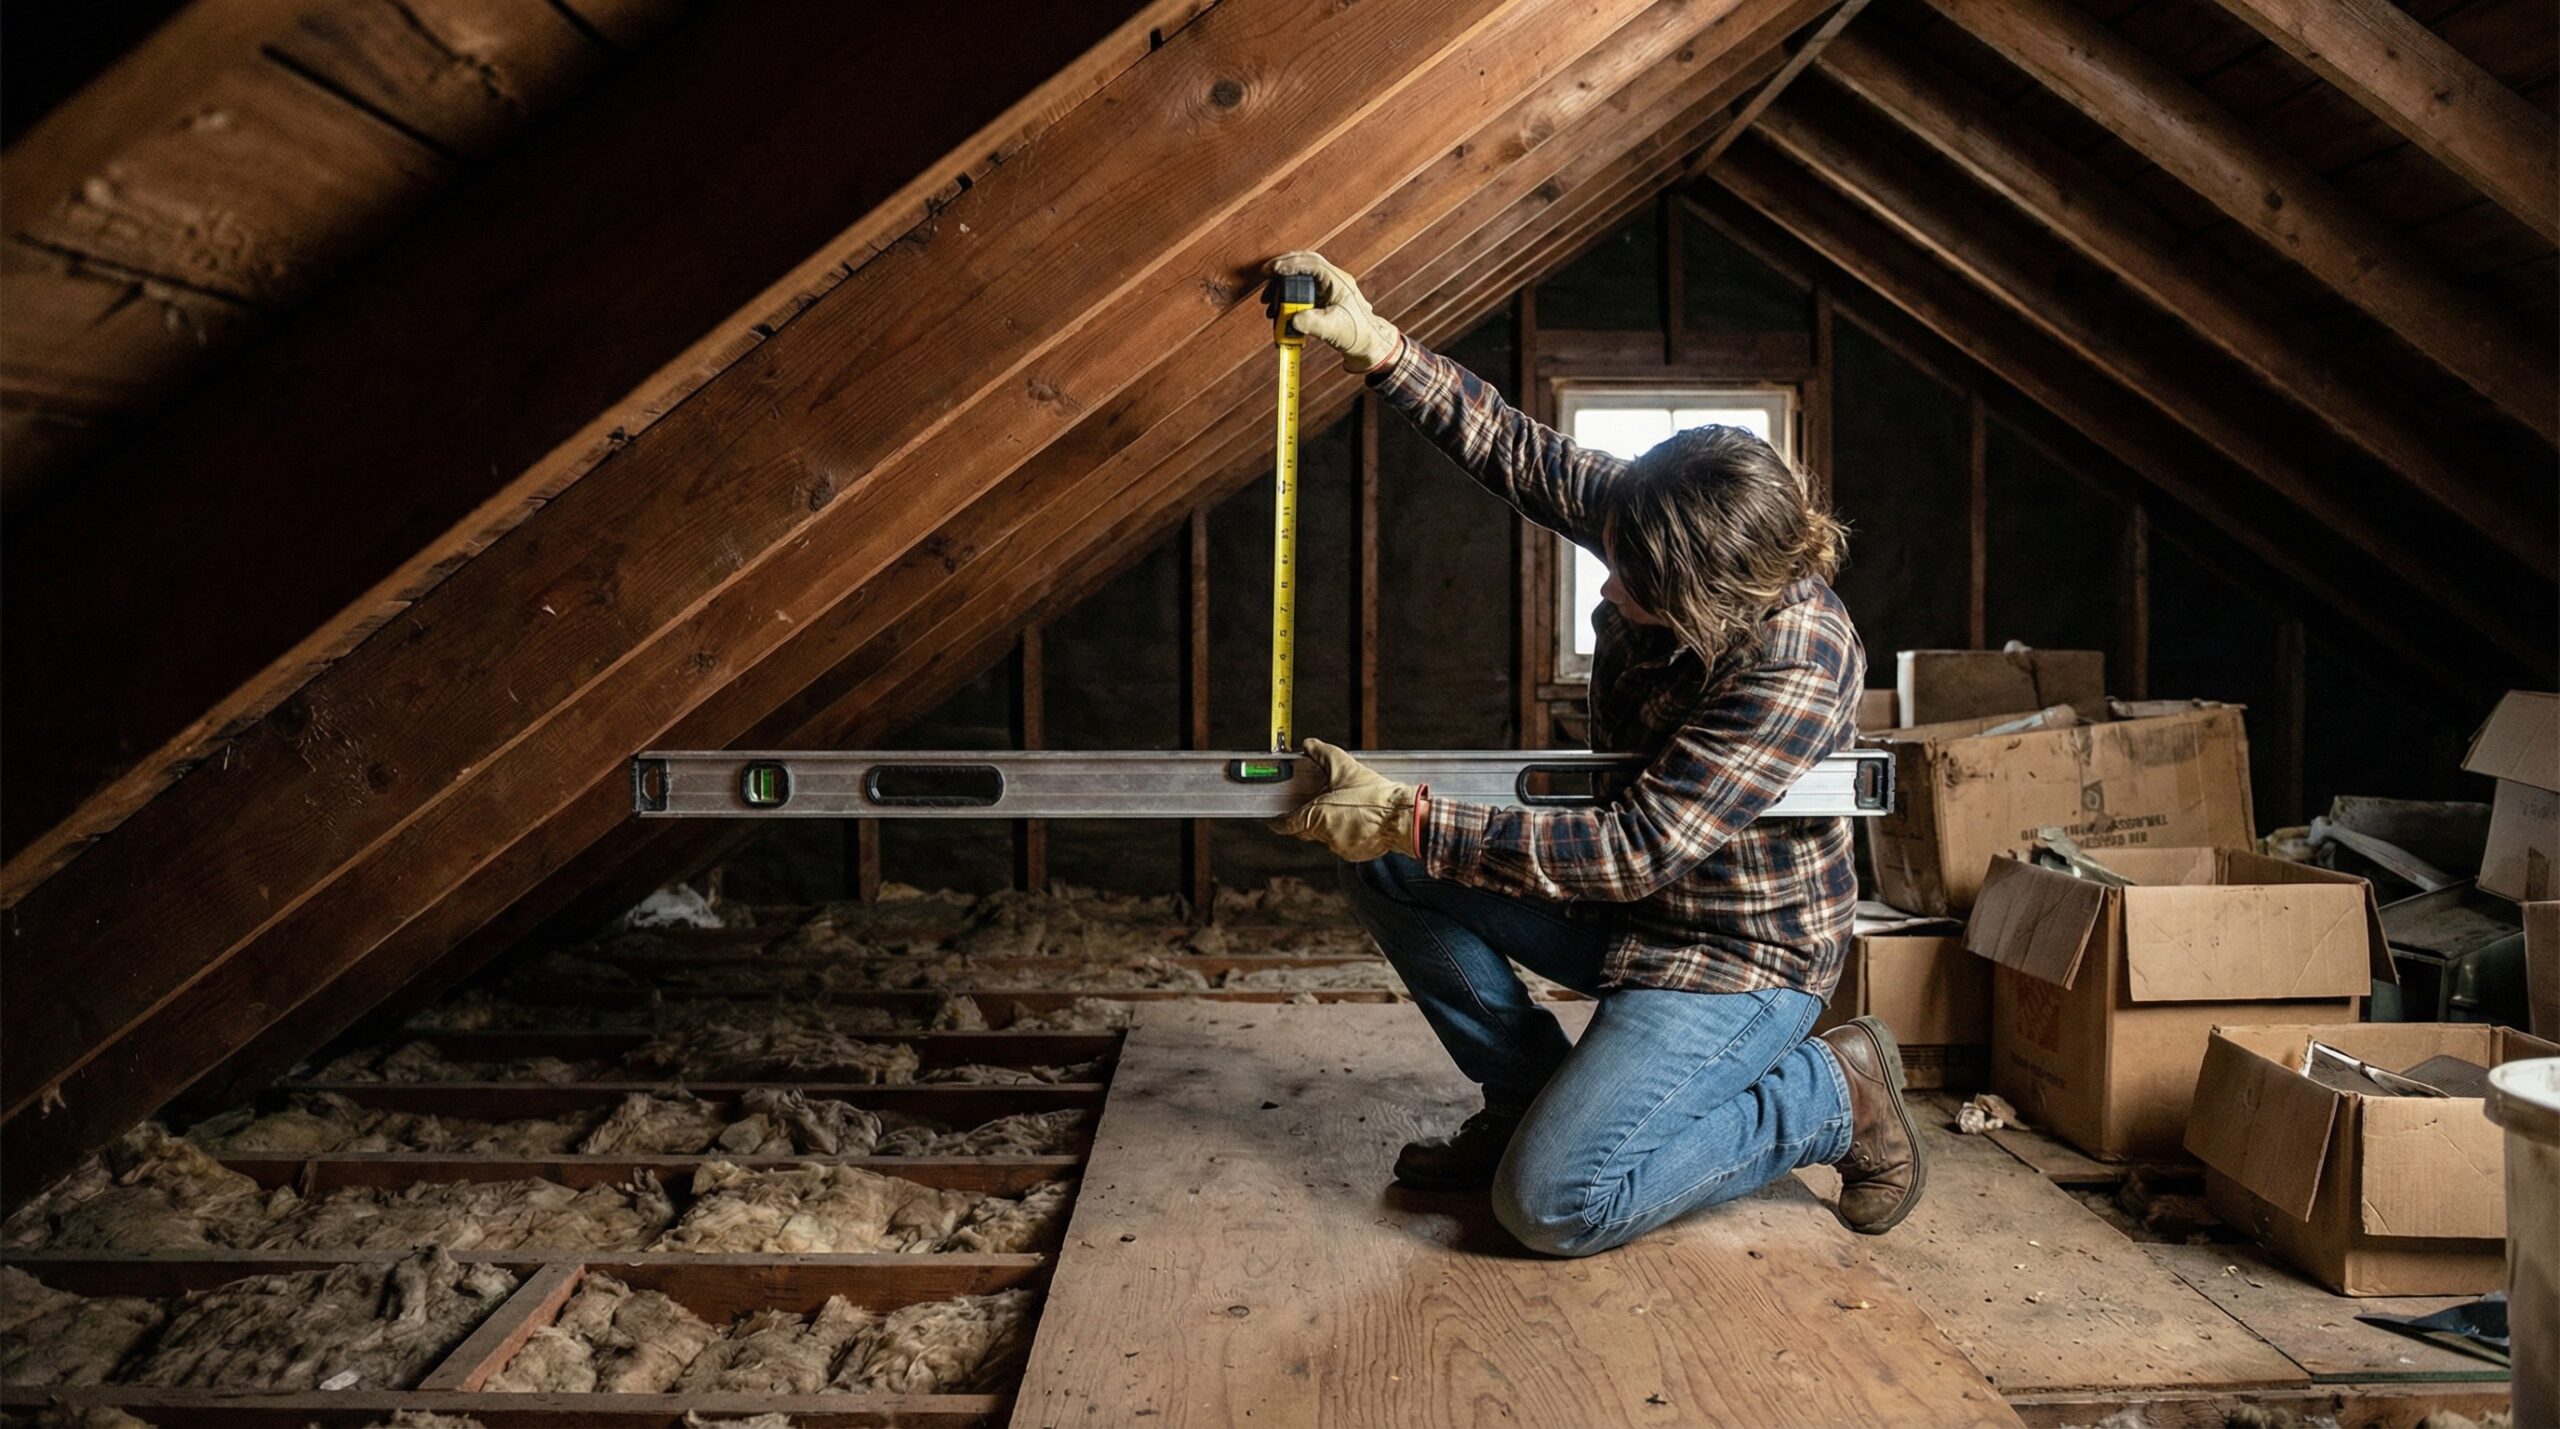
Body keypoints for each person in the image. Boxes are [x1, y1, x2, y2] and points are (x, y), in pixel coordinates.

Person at [1263, 250, 1922, 1258]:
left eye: (1632, 585)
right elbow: (1520, 454)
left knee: (1555, 1203)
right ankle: (1522, 1101)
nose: (1608, 589)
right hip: (1629, 914)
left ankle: (1832, 1098)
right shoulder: (1674, 513)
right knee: (1393, 866)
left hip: (1733, 958)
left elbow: (1634, 849)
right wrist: (1381, 349)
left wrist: (1416, 813)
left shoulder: (1794, 659)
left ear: (1710, 601)